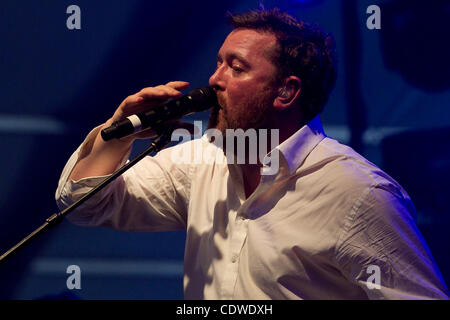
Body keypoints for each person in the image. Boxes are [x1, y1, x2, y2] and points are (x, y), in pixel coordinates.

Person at [56, 8, 449, 299]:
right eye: (218, 63)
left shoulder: (357, 193)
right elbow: (82, 204)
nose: (214, 80)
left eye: (236, 68)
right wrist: (117, 132)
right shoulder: (201, 161)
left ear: (285, 92)